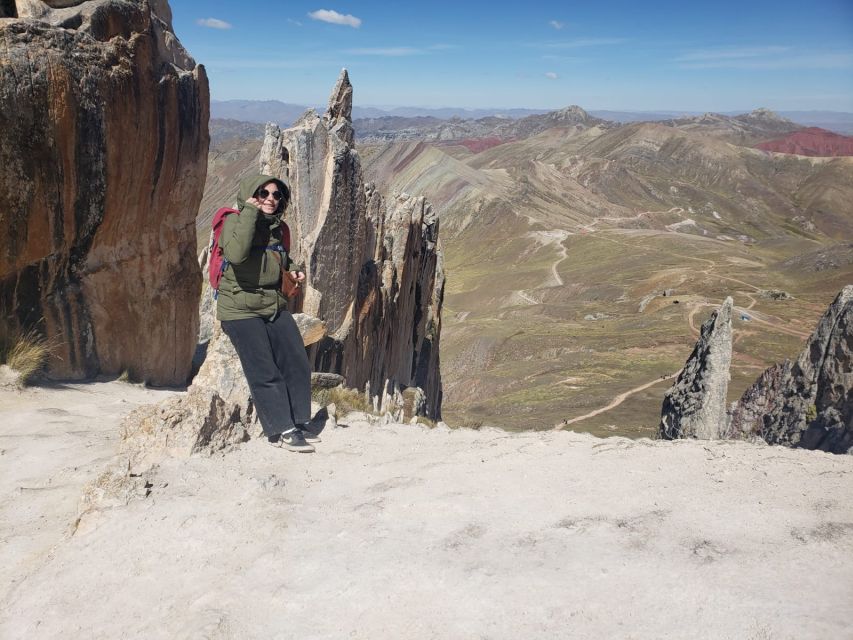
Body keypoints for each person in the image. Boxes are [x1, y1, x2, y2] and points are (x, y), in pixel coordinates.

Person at [217, 174, 315, 453]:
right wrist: (250, 211)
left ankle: (298, 420)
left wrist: (293, 267)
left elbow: (280, 255)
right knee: (264, 369)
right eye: (263, 193)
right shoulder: (234, 221)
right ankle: (282, 429)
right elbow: (236, 254)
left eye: (276, 195)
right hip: (239, 309)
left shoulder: (277, 228)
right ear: (251, 194)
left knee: (296, 360)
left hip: (271, 304)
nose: (271, 199)